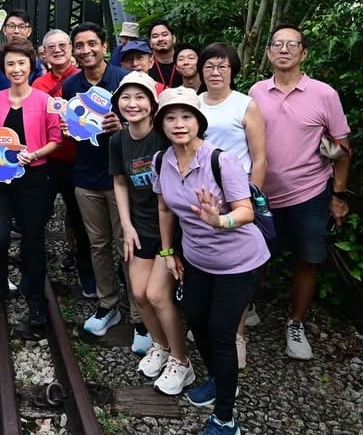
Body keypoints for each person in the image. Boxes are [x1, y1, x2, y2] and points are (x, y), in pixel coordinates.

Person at [154, 87, 270, 435]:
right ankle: (221, 379)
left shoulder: (221, 161)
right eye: (171, 118)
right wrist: (167, 251)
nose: (179, 124)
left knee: (220, 332)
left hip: (239, 261)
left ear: (199, 123)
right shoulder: (163, 161)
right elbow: (163, 207)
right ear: (161, 125)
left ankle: (225, 417)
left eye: (186, 116)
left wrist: (220, 220)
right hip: (198, 259)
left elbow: (247, 211)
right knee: (198, 321)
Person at [249, 25, 352, 360]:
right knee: (254, 254)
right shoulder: (256, 92)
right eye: (277, 44)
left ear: (304, 53)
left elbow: (342, 147)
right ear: (268, 52)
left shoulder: (324, 94)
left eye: (291, 44)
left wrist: (339, 194)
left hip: (309, 191)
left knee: (307, 258)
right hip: (263, 192)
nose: (283, 50)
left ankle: (296, 322)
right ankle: (247, 304)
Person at [109, 71, 194, 394]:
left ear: (152, 103)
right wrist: (127, 226)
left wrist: (170, 247)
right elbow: (119, 181)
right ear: (117, 104)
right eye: (126, 98)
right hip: (140, 226)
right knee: (140, 293)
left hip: (170, 229)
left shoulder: (163, 137)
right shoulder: (118, 140)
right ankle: (160, 345)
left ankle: (182, 361)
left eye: (140, 97)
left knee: (158, 295)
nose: (133, 104)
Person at [61, 23, 141, 346]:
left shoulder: (124, 79)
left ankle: (140, 314)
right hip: (85, 175)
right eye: (79, 45)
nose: (85, 50)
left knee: (127, 244)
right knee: (97, 244)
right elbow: (70, 124)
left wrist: (121, 125)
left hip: (120, 176)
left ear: (105, 46)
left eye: (91, 44)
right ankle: (109, 304)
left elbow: (146, 126)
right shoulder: (70, 85)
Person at [0, 40, 63, 328]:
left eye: (21, 63)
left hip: (34, 177)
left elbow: (56, 139)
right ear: (3, 69)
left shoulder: (44, 101)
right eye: (10, 64)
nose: (16, 69)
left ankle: (34, 298)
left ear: (31, 65)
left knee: (33, 240)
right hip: (1, 179)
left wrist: (35, 154)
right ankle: (1, 286)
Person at [198, 42, 268, 368]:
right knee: (205, 264)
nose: (215, 72)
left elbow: (260, 157)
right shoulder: (193, 104)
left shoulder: (245, 105)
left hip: (236, 198)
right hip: (199, 199)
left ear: (232, 71)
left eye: (222, 66)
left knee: (235, 269)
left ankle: (237, 334)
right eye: (209, 66)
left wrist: (251, 197)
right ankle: (211, 326)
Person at [32, 29, 95, 297]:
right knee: (35, 217)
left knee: (80, 220)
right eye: (51, 47)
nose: (57, 50)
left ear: (71, 49)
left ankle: (87, 273)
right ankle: (33, 268)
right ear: (43, 53)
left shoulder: (83, 80)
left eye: (62, 45)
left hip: (78, 160)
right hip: (47, 161)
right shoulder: (38, 85)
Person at [148, 20, 183, 88]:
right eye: (155, 36)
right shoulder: (146, 67)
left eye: (164, 35)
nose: (160, 39)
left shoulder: (186, 63)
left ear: (174, 39)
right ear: (150, 43)